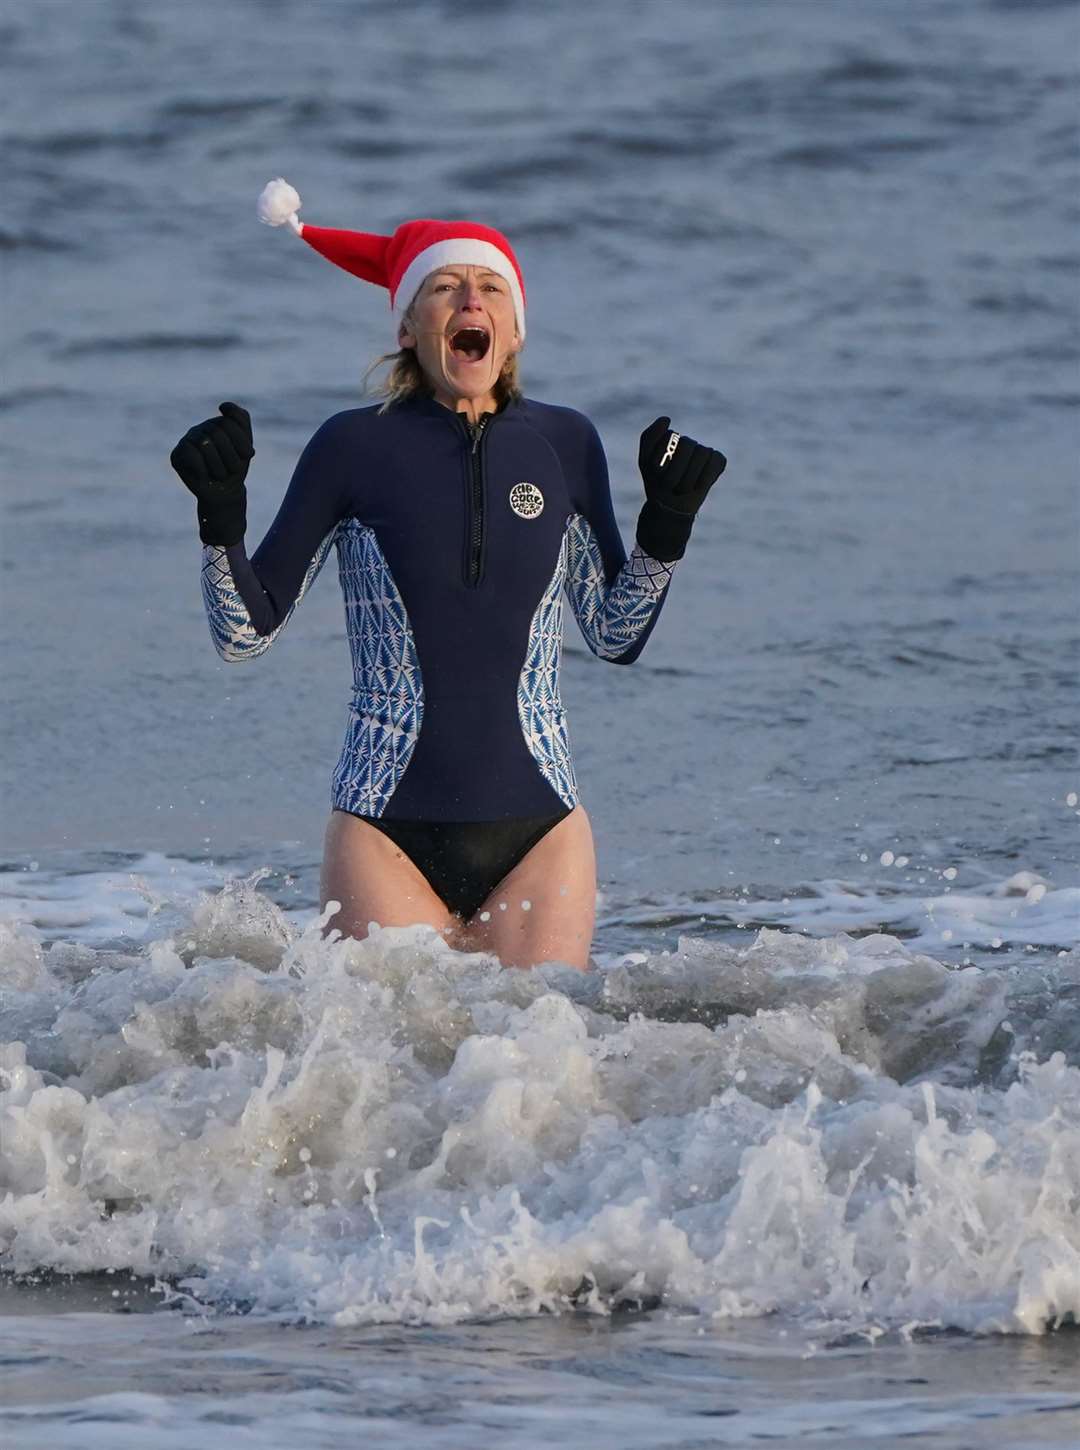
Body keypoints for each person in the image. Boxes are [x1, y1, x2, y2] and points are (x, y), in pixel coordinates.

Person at [169, 179, 726, 971]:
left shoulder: (566, 444)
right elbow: (245, 635)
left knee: (536, 1084)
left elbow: (614, 633)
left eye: (490, 287)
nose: (471, 298)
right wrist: (220, 518)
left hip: (544, 833)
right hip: (383, 829)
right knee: (382, 1076)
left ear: (514, 329)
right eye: (444, 286)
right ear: (408, 326)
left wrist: (665, 531)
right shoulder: (351, 447)